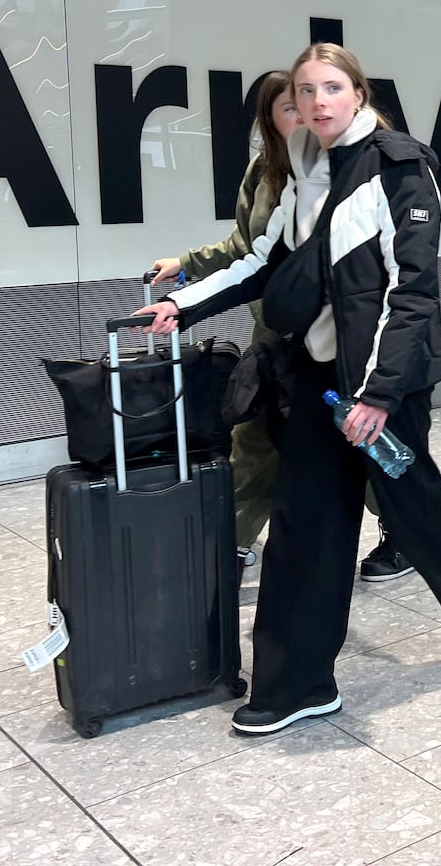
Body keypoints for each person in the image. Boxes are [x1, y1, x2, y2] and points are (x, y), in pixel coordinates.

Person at [132, 43, 441, 736]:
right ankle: (296, 684)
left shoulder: (399, 167)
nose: (317, 102)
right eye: (307, 90)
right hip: (318, 383)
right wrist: (184, 305)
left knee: (412, 511)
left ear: (358, 93)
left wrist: (376, 396)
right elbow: (263, 261)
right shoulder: (306, 172)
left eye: (331, 88)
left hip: (384, 383)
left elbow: (413, 292)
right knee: (306, 525)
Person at [147, 71, 296, 563]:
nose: (305, 113)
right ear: (269, 119)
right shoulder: (264, 171)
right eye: (289, 107)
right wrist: (186, 264)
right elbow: (245, 248)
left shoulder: (337, 171)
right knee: (252, 433)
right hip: (272, 328)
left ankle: (403, 532)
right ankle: (230, 540)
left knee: (354, 440)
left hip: (332, 335)